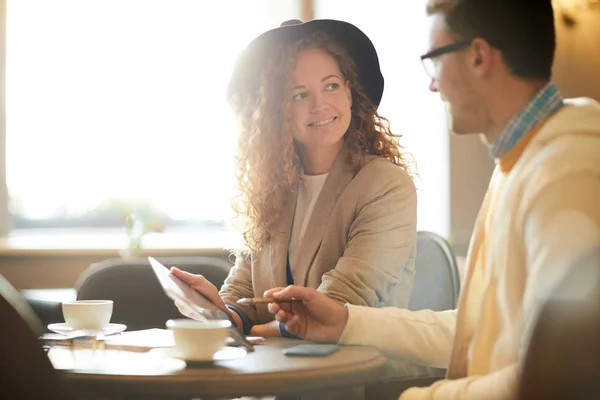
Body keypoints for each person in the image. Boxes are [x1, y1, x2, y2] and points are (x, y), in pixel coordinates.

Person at [266, 0, 600, 398]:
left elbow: (560, 379)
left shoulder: (565, 174)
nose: (432, 84)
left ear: (478, 56)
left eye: (435, 59)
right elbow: (478, 330)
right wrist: (346, 322)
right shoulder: (521, 162)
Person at [171, 19, 417, 339]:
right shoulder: (274, 188)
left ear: (350, 93)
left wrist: (254, 330)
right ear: (278, 111)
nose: (320, 105)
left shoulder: (385, 185)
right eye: (300, 95)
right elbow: (246, 292)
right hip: (279, 371)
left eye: (331, 86)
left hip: (355, 379)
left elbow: (341, 305)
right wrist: (219, 312)